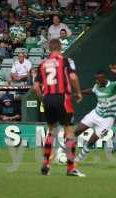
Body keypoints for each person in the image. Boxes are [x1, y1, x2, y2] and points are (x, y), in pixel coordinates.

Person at [33, 38, 84, 177]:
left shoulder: (42, 64)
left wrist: (42, 99)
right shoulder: (66, 61)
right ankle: (70, 167)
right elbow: (73, 77)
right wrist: (78, 92)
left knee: (51, 131)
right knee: (69, 131)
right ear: (60, 48)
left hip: (48, 99)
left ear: (49, 49)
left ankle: (46, 164)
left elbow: (36, 86)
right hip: (62, 98)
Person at [74, 65, 116, 163]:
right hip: (95, 114)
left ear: (104, 78)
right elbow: (92, 91)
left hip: (107, 120)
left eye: (98, 79)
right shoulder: (97, 86)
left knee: (91, 141)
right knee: (76, 131)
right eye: (96, 79)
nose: (96, 81)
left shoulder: (113, 86)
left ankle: (78, 159)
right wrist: (80, 92)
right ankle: (61, 152)